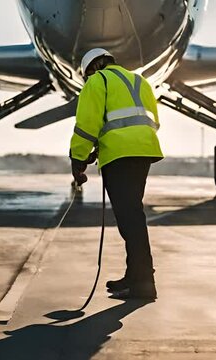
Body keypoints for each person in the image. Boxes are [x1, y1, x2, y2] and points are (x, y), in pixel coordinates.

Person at [69, 48, 163, 299]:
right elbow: (153, 119)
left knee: (130, 218)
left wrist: (77, 159)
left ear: (92, 68)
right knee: (133, 214)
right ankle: (135, 276)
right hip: (144, 151)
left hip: (119, 156)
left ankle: (143, 283)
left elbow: (87, 124)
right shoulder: (139, 81)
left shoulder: (97, 82)